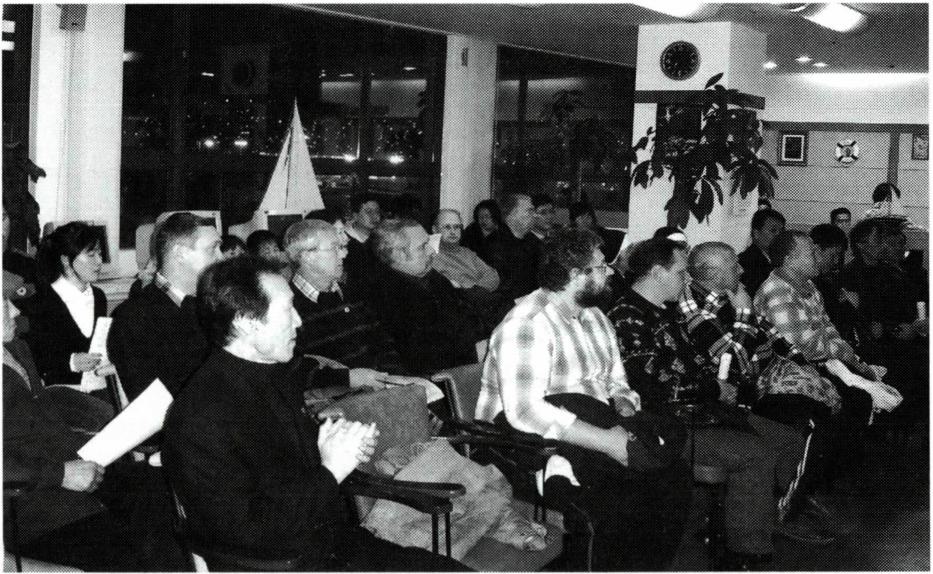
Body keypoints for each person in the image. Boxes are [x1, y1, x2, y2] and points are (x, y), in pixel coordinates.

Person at [162, 256, 466, 571]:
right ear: (246, 321)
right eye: (287, 310)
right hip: (283, 563)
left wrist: (331, 444)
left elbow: (286, 469)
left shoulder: (271, 375)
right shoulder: (200, 416)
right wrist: (331, 469)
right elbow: (248, 532)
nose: (298, 321)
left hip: (329, 544)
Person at [475, 228, 692, 571]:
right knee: (621, 497)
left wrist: (623, 404)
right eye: (601, 267)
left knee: (675, 478)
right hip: (525, 442)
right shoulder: (528, 323)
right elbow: (526, 411)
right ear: (575, 275)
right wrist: (609, 442)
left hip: (593, 423)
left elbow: (617, 381)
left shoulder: (596, 317)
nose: (610, 273)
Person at [609, 239, 832, 567]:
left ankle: (778, 514)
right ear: (657, 273)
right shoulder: (628, 316)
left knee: (788, 439)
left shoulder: (668, 310)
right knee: (754, 453)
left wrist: (717, 386)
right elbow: (652, 385)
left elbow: (699, 361)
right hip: (664, 420)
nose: (687, 279)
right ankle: (747, 551)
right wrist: (715, 387)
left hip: (702, 407)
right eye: (681, 272)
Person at [4, 291, 186, 571]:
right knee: (132, 548)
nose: (16, 311)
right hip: (29, 499)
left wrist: (106, 440)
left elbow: (45, 424)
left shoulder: (16, 349)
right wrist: (62, 473)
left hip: (69, 464)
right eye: (4, 304)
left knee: (160, 488)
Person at [753, 232, 877, 483]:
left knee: (861, 397)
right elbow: (804, 345)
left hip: (813, 362)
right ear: (790, 259)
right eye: (812, 252)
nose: (818, 257)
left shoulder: (808, 287)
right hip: (783, 367)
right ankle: (809, 484)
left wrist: (850, 357)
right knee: (850, 401)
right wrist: (845, 356)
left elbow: (827, 328)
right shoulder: (778, 291)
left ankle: (828, 480)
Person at [108, 213, 221, 400]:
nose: (221, 257)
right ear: (180, 253)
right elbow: (155, 401)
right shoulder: (133, 317)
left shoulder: (211, 305)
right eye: (212, 249)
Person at [283, 219, 404, 378]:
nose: (344, 254)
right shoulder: (287, 309)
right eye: (335, 248)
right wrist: (347, 379)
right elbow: (294, 372)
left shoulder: (354, 293)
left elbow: (384, 343)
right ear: (307, 256)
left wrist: (392, 378)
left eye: (341, 247)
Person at [370, 218, 488, 374]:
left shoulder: (429, 276)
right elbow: (420, 358)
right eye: (423, 247)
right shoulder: (388, 296)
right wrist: (475, 352)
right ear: (399, 254)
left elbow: (467, 311)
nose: (432, 251)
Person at [839, 219, 928, 427]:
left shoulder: (891, 272)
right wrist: (892, 328)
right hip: (874, 343)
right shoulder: (849, 274)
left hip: (904, 334)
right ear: (861, 245)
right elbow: (860, 317)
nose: (884, 245)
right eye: (878, 240)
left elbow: (906, 306)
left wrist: (914, 327)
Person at [27, 222, 112, 388]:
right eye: (91, 255)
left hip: (98, 386)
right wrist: (71, 362)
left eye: (100, 254)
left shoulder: (99, 296)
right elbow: (37, 358)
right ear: (66, 260)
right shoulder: (43, 300)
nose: (99, 261)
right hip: (61, 392)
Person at [809, 224, 859, 345]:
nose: (836, 261)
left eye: (839, 256)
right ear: (817, 251)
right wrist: (850, 306)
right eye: (833, 255)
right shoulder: (809, 283)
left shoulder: (830, 279)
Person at [487, 193, 541, 300]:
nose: (535, 215)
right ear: (511, 214)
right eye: (529, 211)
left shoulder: (534, 242)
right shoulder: (494, 245)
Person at [432, 209, 500, 292]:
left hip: (480, 296)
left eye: (457, 227)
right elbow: (453, 290)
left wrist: (474, 290)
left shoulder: (467, 253)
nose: (453, 232)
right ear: (435, 230)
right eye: (447, 227)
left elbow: (492, 275)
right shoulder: (432, 257)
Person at [738, 208, 785, 296]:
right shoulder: (746, 262)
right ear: (756, 234)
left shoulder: (780, 259)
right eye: (773, 231)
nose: (779, 236)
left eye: (781, 231)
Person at [343, 193, 383, 292]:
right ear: (355, 216)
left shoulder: (381, 238)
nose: (375, 216)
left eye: (377, 211)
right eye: (369, 212)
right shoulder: (343, 240)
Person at [460, 199, 503, 265]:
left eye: (487, 216)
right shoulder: (471, 230)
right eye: (480, 217)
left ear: (495, 217)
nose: (483, 220)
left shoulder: (502, 234)